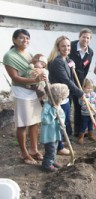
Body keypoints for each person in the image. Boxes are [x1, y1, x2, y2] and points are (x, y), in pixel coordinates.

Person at [3, 29, 47, 165]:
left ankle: (34, 150)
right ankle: (24, 153)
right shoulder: (9, 56)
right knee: (22, 124)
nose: (25, 40)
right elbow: (15, 78)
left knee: (34, 122)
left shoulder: (29, 54)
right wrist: (35, 79)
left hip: (32, 91)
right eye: (21, 38)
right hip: (21, 92)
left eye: (27, 38)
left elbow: (35, 69)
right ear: (14, 40)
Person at [48, 35, 84, 155]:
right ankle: (59, 147)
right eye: (63, 45)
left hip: (64, 96)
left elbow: (71, 78)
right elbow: (66, 81)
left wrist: (71, 64)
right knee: (59, 122)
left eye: (68, 45)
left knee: (65, 120)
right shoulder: (57, 61)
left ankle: (62, 143)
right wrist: (80, 93)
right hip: (58, 97)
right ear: (58, 46)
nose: (66, 48)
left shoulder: (66, 60)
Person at [69, 28, 94, 137]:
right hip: (68, 80)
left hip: (79, 82)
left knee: (79, 106)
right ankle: (66, 131)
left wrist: (83, 81)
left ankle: (78, 131)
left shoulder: (90, 52)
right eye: (83, 36)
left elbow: (86, 68)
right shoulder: (71, 46)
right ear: (79, 36)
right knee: (67, 105)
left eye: (88, 38)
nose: (85, 39)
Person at [40, 83, 69, 172]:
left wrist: (62, 125)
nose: (63, 101)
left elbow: (62, 117)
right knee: (50, 150)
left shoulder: (58, 106)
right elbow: (45, 120)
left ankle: (52, 161)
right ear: (58, 98)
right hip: (49, 135)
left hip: (55, 133)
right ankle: (46, 165)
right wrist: (53, 111)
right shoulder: (47, 107)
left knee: (54, 149)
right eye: (62, 99)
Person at [78, 78, 96, 144]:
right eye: (88, 88)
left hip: (92, 113)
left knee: (91, 125)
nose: (90, 89)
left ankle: (90, 135)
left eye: (91, 88)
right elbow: (80, 103)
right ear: (84, 87)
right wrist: (83, 100)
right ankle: (81, 137)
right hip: (85, 114)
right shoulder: (82, 95)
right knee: (83, 125)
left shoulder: (93, 94)